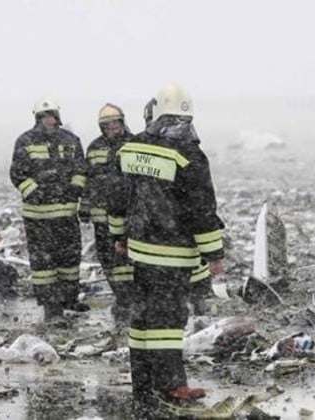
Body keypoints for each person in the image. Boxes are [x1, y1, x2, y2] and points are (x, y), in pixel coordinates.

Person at [108, 83, 225, 417]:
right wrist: (214, 253)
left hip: (139, 250)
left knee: (143, 317)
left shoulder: (130, 148)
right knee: (168, 320)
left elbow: (116, 198)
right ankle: (171, 384)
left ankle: (143, 384)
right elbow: (201, 209)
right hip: (173, 253)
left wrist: (119, 235)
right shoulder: (189, 156)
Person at [9, 98, 88, 323]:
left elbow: (81, 169)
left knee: (69, 262)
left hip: (66, 215)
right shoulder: (25, 141)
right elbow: (17, 174)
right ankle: (52, 309)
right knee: (44, 265)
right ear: (37, 118)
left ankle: (68, 299)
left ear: (58, 116)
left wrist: (74, 189)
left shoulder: (71, 140)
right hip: (38, 217)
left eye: (51, 115)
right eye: (44, 116)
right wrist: (36, 193)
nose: (48, 120)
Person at [80, 103, 134, 327]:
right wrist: (84, 206)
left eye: (115, 123)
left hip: (125, 216)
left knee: (125, 260)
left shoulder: (134, 144)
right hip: (100, 217)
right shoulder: (94, 147)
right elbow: (88, 179)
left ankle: (127, 300)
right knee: (106, 259)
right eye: (107, 125)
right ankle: (120, 296)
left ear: (122, 123)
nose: (112, 128)